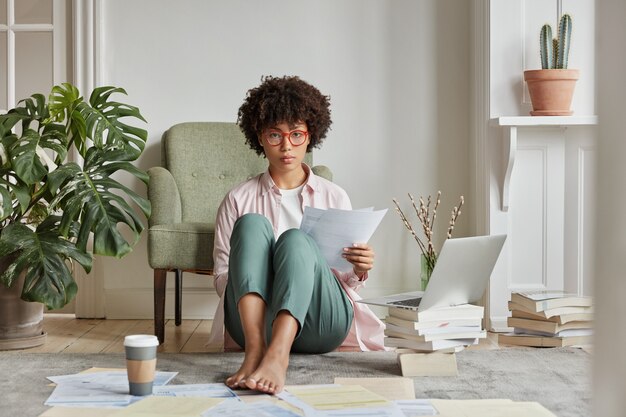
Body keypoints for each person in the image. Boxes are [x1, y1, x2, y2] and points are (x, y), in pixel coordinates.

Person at [210, 75, 385, 395]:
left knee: (295, 240)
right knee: (250, 223)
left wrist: (360, 269)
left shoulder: (335, 196)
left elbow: (345, 280)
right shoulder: (237, 198)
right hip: (254, 323)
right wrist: (265, 276)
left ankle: (277, 357)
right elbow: (223, 277)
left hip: (319, 321)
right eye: (275, 135)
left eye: (296, 134)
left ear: (310, 136)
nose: (286, 145)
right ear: (259, 138)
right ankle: (254, 353)